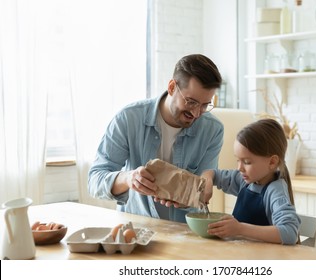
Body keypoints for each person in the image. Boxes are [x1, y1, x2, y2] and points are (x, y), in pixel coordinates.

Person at [88, 54, 224, 223]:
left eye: (205, 105)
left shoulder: (213, 130)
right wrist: (129, 179)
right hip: (136, 231)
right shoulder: (128, 119)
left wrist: (198, 193)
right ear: (172, 87)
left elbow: (204, 183)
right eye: (191, 102)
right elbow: (95, 180)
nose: (197, 113)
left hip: (185, 232)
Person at [201, 118, 301, 245]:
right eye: (238, 160)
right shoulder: (246, 179)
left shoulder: (275, 190)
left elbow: (290, 232)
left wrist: (240, 229)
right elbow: (212, 173)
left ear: (272, 162)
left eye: (247, 162)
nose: (239, 168)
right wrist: (207, 180)